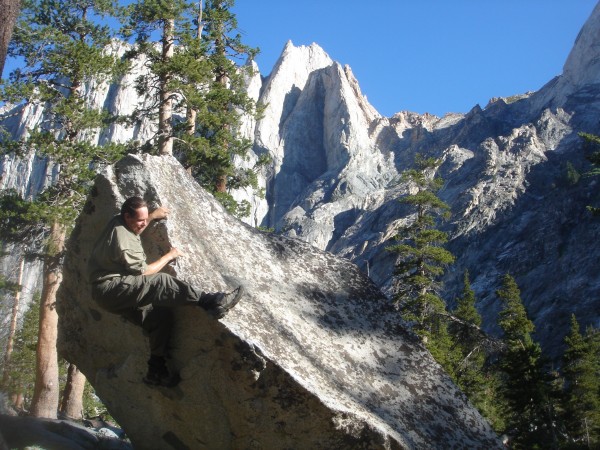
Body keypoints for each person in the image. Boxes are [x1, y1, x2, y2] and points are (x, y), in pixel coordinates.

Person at [87, 196, 244, 387]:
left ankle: (156, 370)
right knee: (161, 281)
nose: (143, 223)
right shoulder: (122, 240)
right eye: (140, 220)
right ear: (127, 216)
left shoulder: (119, 221)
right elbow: (145, 272)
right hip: (111, 289)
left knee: (158, 317)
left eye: (145, 219)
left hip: (111, 293)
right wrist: (169, 256)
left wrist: (152, 216)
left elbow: (135, 230)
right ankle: (212, 302)